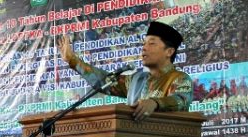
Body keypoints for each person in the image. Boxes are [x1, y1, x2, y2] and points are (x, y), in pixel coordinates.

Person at [57, 21, 193, 121]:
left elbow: (181, 99)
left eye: (151, 43)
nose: (144, 48)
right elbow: (104, 82)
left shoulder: (179, 78)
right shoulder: (137, 80)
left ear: (169, 51)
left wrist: (155, 103)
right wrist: (72, 60)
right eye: (144, 44)